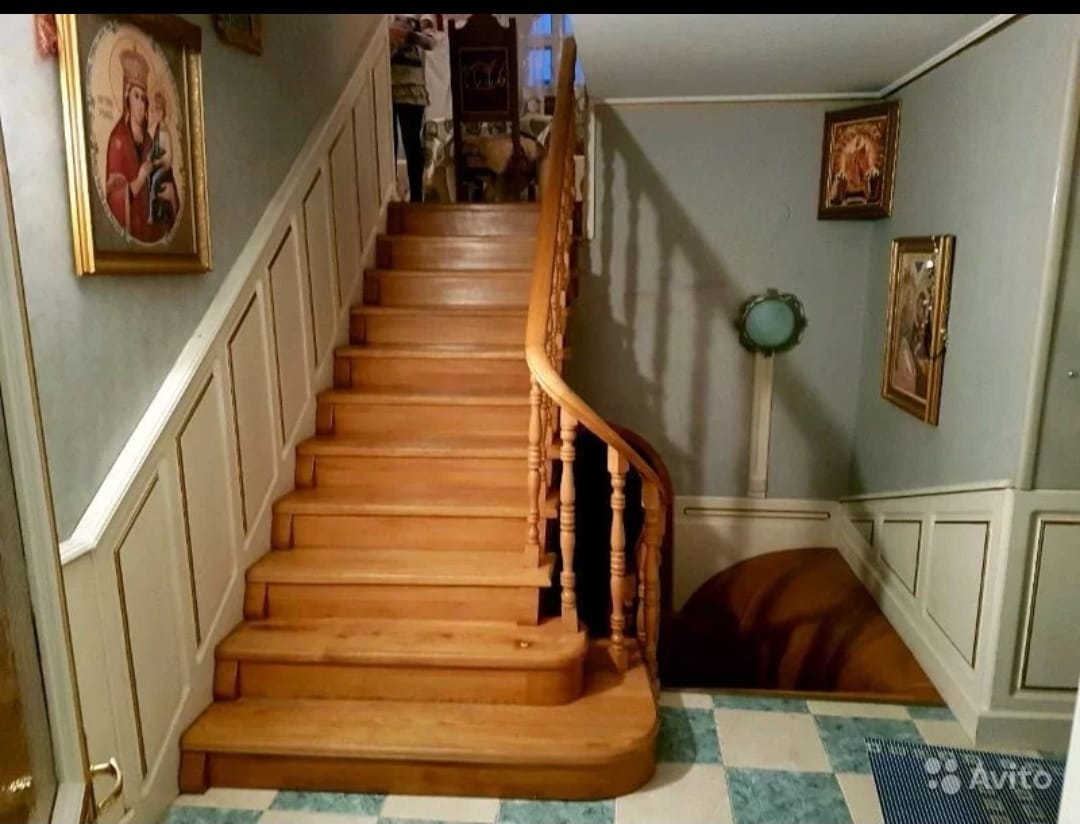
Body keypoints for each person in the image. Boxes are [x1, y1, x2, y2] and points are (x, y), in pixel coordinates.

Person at [105, 47, 174, 243]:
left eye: (144, 98)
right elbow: (113, 198)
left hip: (151, 232)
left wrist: (171, 197)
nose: (141, 104)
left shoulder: (150, 141)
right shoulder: (118, 140)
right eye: (136, 96)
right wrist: (139, 179)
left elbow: (166, 180)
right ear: (127, 97)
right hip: (133, 228)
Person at [389, 14, 436, 202]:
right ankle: (391, 194)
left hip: (412, 88)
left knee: (412, 144)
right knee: (388, 145)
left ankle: (417, 197)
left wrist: (407, 35)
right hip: (386, 85)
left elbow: (431, 42)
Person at [147, 91, 178, 227]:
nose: (154, 113)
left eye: (157, 111)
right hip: (158, 165)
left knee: (154, 180)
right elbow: (155, 149)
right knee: (148, 177)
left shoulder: (164, 131)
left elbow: (168, 157)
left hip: (164, 168)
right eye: (154, 110)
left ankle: (151, 214)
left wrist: (157, 162)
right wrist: (150, 156)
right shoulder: (158, 129)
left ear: (162, 112)